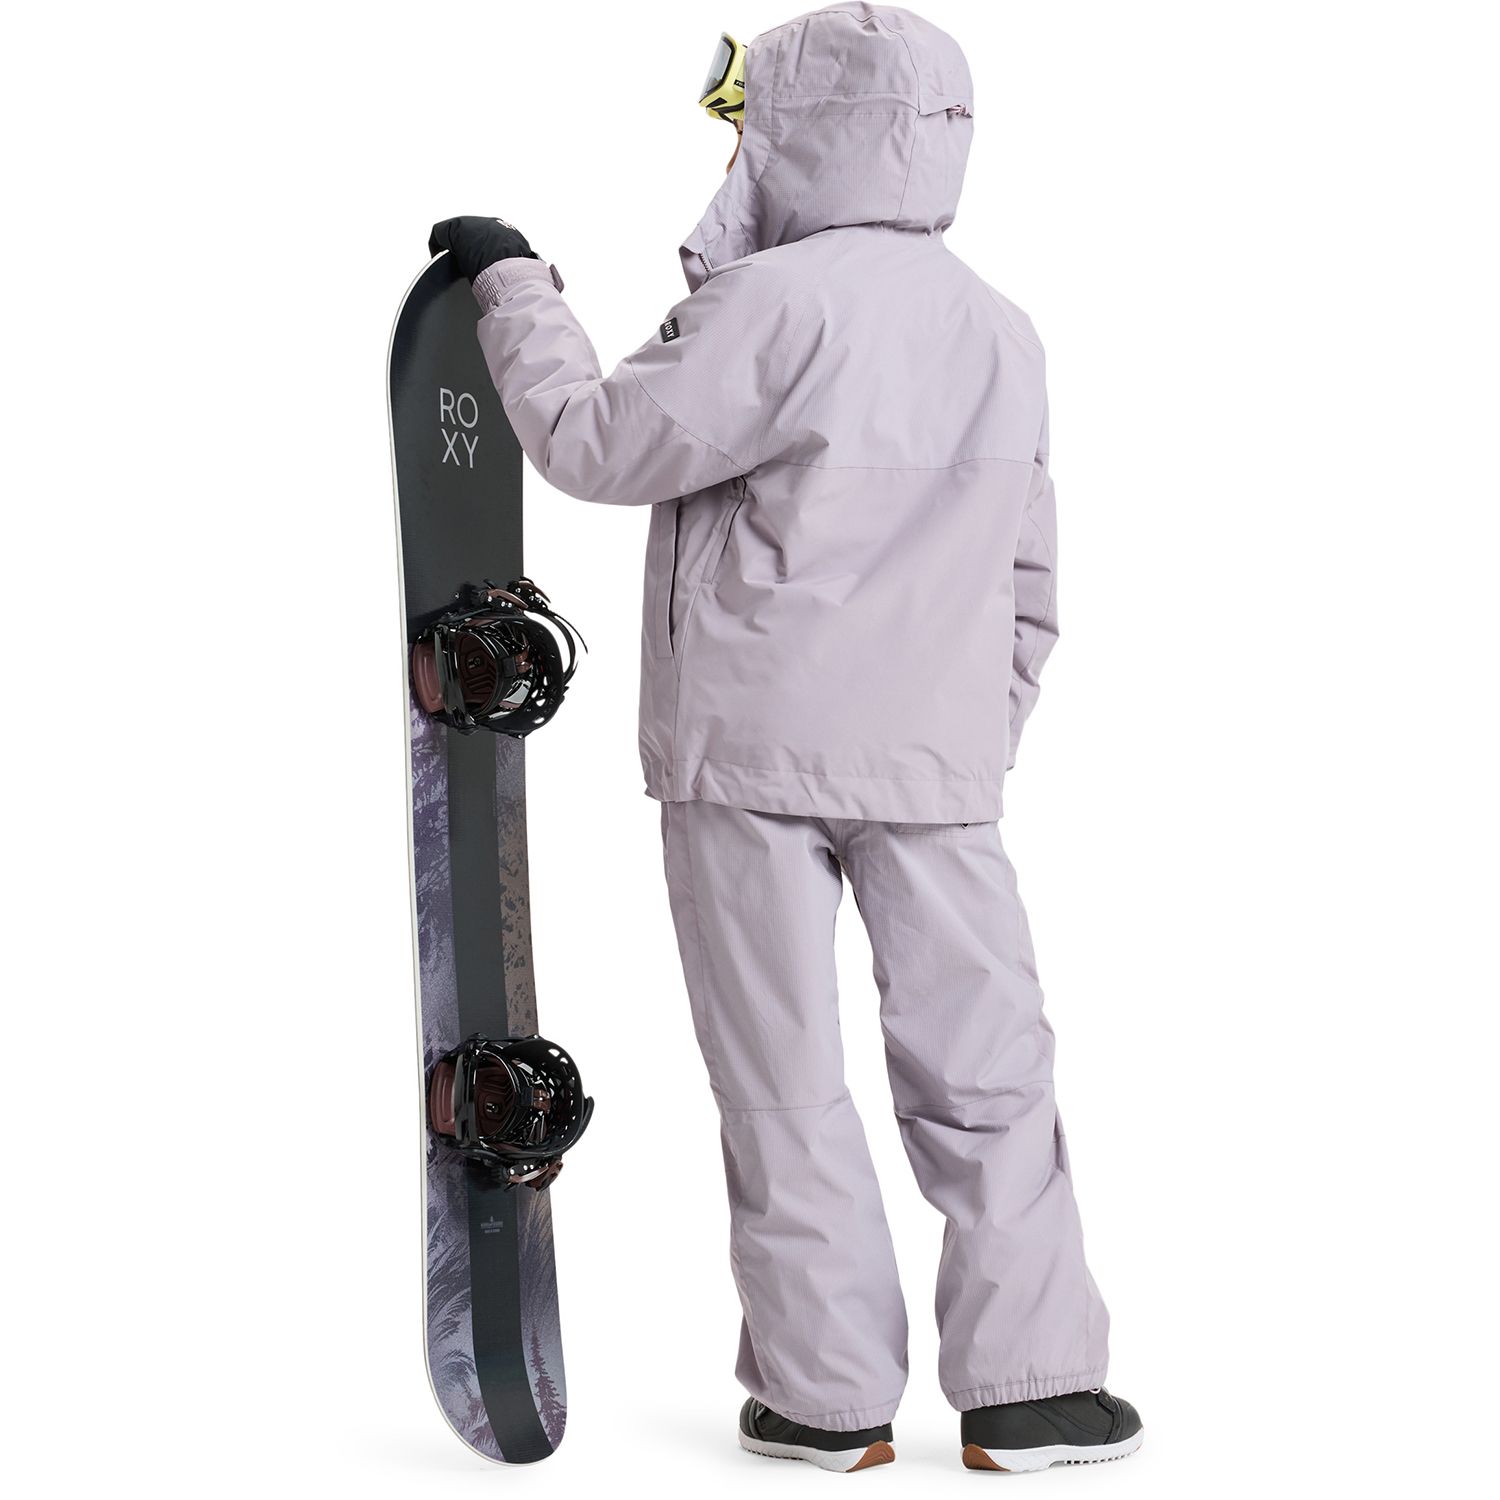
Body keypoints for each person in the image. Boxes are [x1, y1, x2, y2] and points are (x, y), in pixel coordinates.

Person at [430, 2, 1142, 1475]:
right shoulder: (999, 327)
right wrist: (966, 732)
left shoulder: (773, 305)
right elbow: (1030, 575)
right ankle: (1034, 1394)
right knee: (987, 1071)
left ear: (806, 132)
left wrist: (515, 289)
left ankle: (829, 1402)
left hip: (746, 756)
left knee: (784, 1076)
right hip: (935, 770)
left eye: (749, 125)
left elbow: (595, 445)